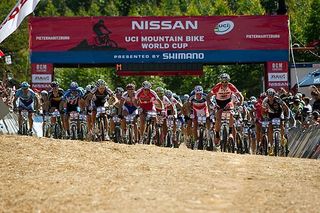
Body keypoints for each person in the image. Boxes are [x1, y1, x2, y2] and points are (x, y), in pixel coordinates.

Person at [206, 73, 243, 145]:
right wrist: (210, 104)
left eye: (226, 82)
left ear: (228, 81)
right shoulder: (217, 87)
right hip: (219, 102)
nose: (224, 84)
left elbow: (240, 96)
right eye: (223, 82)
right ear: (221, 82)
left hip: (228, 101)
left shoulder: (231, 86)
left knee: (231, 114)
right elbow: (208, 97)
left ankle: (230, 133)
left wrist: (240, 104)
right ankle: (217, 135)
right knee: (218, 116)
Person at [262, 88, 289, 155]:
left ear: (274, 95)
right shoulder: (265, 101)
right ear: (267, 95)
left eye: (272, 96)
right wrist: (264, 117)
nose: (270, 97)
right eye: (269, 96)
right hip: (271, 114)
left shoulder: (277, 99)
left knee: (281, 124)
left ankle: (282, 138)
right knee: (270, 128)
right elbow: (262, 111)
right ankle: (271, 147)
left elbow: (285, 107)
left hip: (279, 113)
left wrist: (287, 116)